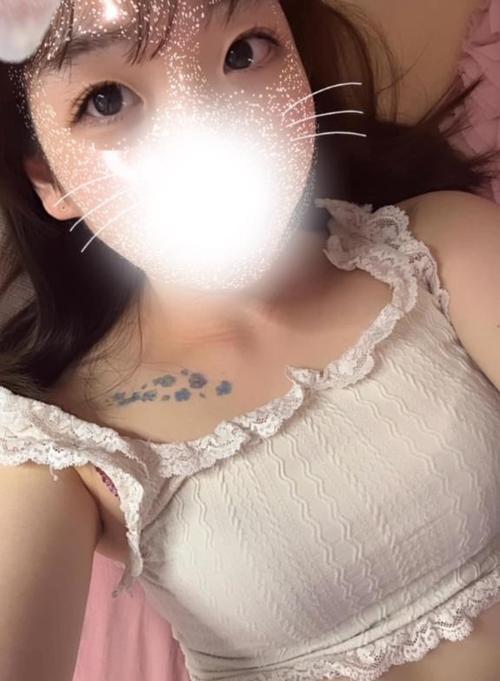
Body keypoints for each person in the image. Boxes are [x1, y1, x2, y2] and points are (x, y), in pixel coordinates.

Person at [0, 2, 499, 681]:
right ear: (49, 180)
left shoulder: (437, 246)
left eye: (245, 51)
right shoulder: (64, 445)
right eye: (106, 99)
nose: (208, 132)